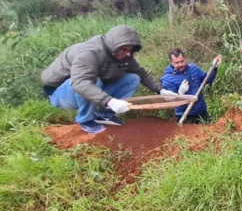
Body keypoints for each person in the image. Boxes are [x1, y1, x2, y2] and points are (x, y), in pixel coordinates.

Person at [40, 24, 178, 134]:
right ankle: (85, 120)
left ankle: (104, 115)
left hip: (88, 87)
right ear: (114, 45)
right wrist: (110, 101)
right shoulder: (89, 53)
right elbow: (80, 83)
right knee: (93, 81)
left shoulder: (123, 56)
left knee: (133, 78)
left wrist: (161, 90)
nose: (128, 53)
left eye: (130, 50)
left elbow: (140, 73)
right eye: (124, 49)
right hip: (59, 93)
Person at [160, 48, 223, 124]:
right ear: (171, 62)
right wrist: (180, 94)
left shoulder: (193, 68)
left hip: (201, 112)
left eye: (182, 61)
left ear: (185, 59)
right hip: (185, 116)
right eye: (177, 63)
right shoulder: (167, 79)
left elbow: (207, 80)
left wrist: (214, 68)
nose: (180, 64)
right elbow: (171, 101)